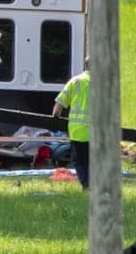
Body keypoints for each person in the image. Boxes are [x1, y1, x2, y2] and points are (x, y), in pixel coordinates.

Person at [52, 57, 91, 189]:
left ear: (85, 66)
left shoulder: (75, 81)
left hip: (78, 130)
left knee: (80, 161)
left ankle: (86, 185)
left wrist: (55, 116)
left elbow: (60, 102)